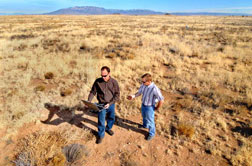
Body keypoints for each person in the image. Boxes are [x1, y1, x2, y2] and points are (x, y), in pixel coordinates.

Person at [87, 66, 120, 144]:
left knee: (111, 118)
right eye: (102, 75)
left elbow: (117, 95)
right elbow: (93, 92)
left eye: (105, 76)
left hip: (111, 104)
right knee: (101, 120)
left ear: (109, 73)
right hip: (101, 104)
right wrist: (89, 101)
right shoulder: (98, 81)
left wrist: (110, 103)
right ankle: (101, 135)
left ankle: (108, 128)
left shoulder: (114, 82)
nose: (103, 77)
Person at [127, 73, 164, 141]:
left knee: (150, 120)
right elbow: (139, 92)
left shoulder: (154, 88)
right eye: (142, 81)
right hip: (143, 104)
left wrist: (157, 108)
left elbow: (161, 99)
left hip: (150, 107)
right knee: (144, 116)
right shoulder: (143, 85)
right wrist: (132, 96)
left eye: (143, 81)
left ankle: (151, 133)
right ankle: (145, 126)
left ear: (149, 81)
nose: (142, 83)